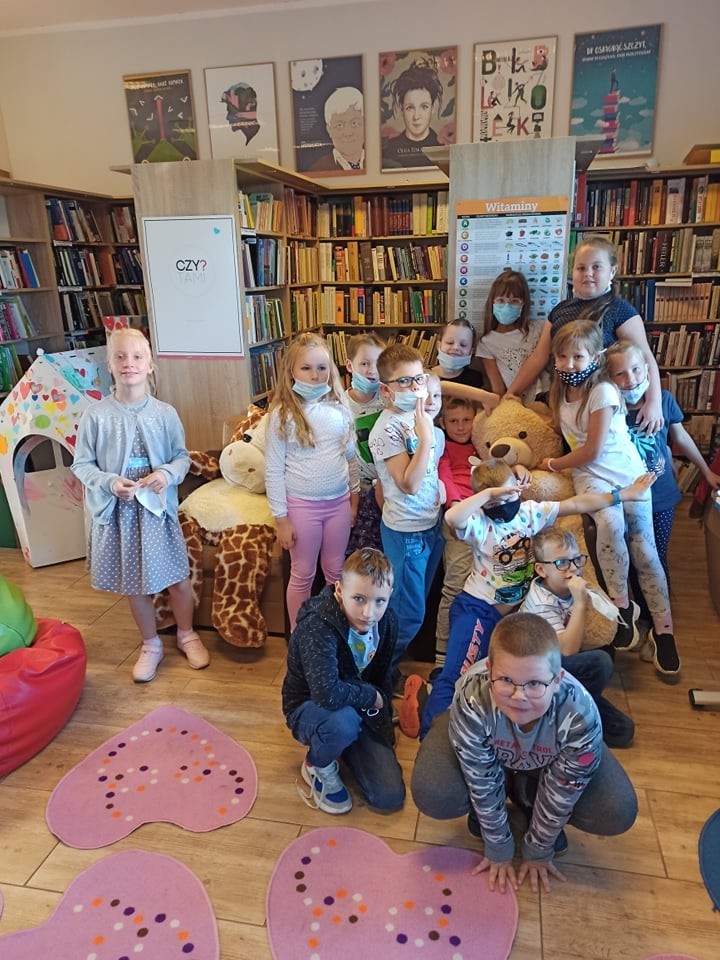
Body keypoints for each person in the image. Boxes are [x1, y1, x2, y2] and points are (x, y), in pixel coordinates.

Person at [413, 458, 654, 739]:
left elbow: (576, 504)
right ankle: (432, 737)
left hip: (513, 618)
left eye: (509, 496)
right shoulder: (479, 521)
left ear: (518, 489)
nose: (503, 505)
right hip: (478, 609)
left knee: (505, 677)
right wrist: (489, 494)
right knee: (457, 676)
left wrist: (622, 495)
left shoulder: (530, 513)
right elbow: (452, 519)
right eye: (495, 501)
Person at [411, 613, 638, 893]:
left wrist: (539, 848)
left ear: (558, 680)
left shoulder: (580, 715)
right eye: (506, 679)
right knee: (433, 789)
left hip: (553, 757)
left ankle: (525, 794)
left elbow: (564, 788)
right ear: (489, 671)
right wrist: (498, 846)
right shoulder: (472, 699)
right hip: (483, 743)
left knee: (616, 809)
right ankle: (510, 796)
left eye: (534, 684)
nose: (519, 696)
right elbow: (480, 778)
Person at [540, 320, 680, 677]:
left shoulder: (602, 391)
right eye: (562, 356)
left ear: (595, 357)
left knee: (645, 550)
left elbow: (592, 450)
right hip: (590, 478)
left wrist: (552, 464)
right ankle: (623, 609)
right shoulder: (559, 391)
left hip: (630, 475)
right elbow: (567, 434)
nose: (569, 363)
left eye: (578, 356)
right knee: (610, 523)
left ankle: (664, 631)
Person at [71, 328, 208, 683]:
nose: (128, 363)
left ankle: (186, 634)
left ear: (150, 366)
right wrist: (110, 482)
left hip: (157, 512)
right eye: (120, 357)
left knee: (178, 580)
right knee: (135, 586)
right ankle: (150, 644)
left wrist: (166, 474)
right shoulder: (96, 416)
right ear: (109, 365)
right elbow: (82, 464)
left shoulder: (165, 413)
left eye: (136, 357)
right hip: (120, 515)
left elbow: (181, 457)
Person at [282, 548, 404, 814]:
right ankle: (316, 764)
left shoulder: (387, 622)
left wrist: (381, 723)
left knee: (389, 797)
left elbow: (382, 676)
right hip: (311, 706)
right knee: (343, 723)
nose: (369, 612)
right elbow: (326, 694)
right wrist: (371, 697)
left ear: (389, 596)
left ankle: (344, 742)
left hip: (356, 707)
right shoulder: (317, 626)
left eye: (379, 601)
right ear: (339, 590)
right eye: (358, 599)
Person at [506, 234, 664, 435]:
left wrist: (654, 402)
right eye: (581, 268)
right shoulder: (560, 310)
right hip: (564, 401)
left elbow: (645, 358)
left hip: (603, 406)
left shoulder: (620, 310)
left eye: (596, 267)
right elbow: (539, 357)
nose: (588, 273)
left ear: (612, 271)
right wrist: (511, 394)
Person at [265, 332, 360, 631]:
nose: (315, 375)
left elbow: (351, 460)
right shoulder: (281, 415)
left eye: (321, 367)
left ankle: (335, 633)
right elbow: (273, 471)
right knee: (303, 573)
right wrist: (282, 520)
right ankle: (300, 638)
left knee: (336, 572)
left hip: (338, 506)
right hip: (302, 508)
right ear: (291, 371)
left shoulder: (340, 410)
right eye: (306, 368)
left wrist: (353, 502)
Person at [606, 339, 720, 576]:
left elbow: (681, 437)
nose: (631, 379)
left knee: (657, 557)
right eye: (620, 373)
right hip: (626, 496)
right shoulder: (608, 409)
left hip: (661, 496)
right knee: (632, 559)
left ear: (647, 369)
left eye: (636, 369)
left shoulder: (664, 400)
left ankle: (662, 599)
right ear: (609, 378)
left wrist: (706, 471)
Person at [518, 526, 635, 748]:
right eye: (562, 563)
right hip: (534, 673)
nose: (573, 569)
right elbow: (568, 651)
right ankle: (553, 718)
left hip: (556, 665)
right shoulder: (542, 603)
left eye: (576, 560)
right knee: (600, 662)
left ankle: (570, 712)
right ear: (541, 570)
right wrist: (580, 602)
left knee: (623, 730)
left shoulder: (563, 586)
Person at [368, 343, 444, 671]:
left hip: (430, 525)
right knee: (406, 614)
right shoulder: (386, 429)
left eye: (419, 379)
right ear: (386, 390)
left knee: (416, 605)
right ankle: (378, 673)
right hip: (406, 532)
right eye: (404, 381)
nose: (415, 388)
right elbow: (408, 484)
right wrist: (426, 438)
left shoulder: (419, 416)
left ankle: (384, 667)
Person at [344, 332, 387, 555]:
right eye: (364, 363)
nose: (372, 370)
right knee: (359, 551)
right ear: (349, 365)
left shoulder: (388, 397)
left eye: (378, 364)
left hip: (387, 486)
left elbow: (434, 384)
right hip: (356, 489)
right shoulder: (339, 405)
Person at [475, 268, 544, 400]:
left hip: (545, 397)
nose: (507, 306)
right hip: (516, 401)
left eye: (514, 301)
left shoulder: (538, 328)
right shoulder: (486, 343)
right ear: (492, 302)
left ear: (523, 304)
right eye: (501, 300)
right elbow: (498, 388)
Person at [382, 61, 443, 169]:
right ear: (402, 109)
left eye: (424, 107)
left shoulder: (443, 150)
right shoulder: (387, 152)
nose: (416, 117)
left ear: (433, 108)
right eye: (410, 108)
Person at [309, 86, 365, 173]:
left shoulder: (382, 163)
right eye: (339, 125)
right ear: (329, 130)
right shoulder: (317, 170)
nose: (348, 133)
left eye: (354, 123)